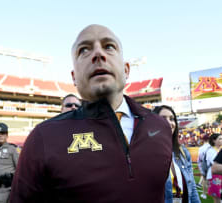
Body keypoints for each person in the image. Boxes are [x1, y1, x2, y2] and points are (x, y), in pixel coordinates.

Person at [10, 24, 173, 203]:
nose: (98, 54)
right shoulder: (43, 138)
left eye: (109, 46)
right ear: (74, 77)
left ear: (126, 69)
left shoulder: (160, 126)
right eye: (84, 50)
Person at [153, 105, 200, 203]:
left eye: (172, 119)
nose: (169, 122)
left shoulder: (182, 151)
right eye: (163, 118)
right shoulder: (146, 153)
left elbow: (192, 187)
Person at [205, 133, 222, 203]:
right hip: (215, 175)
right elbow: (216, 163)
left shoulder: (221, 150)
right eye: (220, 139)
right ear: (214, 141)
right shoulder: (210, 151)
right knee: (217, 199)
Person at [196, 134, 210, 199]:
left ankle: (204, 194)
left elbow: (199, 158)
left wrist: (200, 166)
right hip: (210, 163)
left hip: (204, 163)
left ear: (203, 140)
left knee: (205, 179)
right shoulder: (211, 147)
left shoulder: (201, 148)